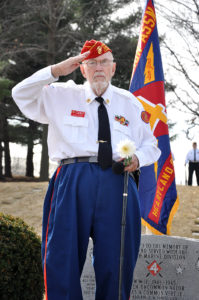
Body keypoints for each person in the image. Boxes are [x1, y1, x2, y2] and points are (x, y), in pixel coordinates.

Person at [12, 40, 161, 300]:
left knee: (117, 260)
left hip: (118, 181)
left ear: (113, 69)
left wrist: (138, 158)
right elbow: (20, 93)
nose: (98, 68)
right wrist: (56, 70)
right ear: (82, 69)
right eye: (91, 63)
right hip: (72, 179)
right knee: (62, 257)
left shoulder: (130, 104)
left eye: (104, 62)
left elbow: (151, 145)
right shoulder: (59, 94)